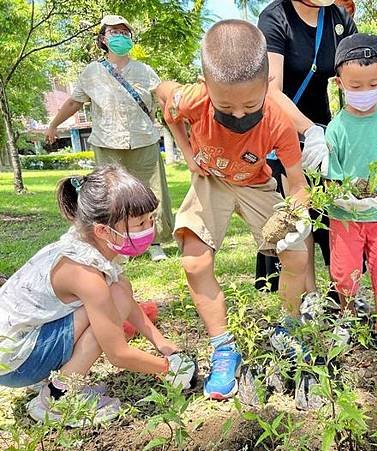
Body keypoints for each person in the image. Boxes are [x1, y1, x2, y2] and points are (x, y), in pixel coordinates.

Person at [154, 20, 310, 400]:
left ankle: (286, 329)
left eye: (250, 104)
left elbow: (297, 182)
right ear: (206, 86)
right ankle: (223, 347)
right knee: (194, 261)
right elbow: (163, 97)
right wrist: (188, 153)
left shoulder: (278, 121)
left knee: (296, 255)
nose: (239, 115)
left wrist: (296, 213)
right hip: (212, 181)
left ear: (266, 86)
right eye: (225, 105)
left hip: (257, 185)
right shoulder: (191, 98)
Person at [0, 166, 196, 424]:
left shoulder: (91, 247)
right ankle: (58, 397)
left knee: (118, 291)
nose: (149, 228)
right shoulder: (84, 272)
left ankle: (62, 380)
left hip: (19, 346)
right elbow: (118, 354)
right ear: (103, 230)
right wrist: (169, 370)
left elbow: (125, 298)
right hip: (16, 362)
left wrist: (161, 343)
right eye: (140, 223)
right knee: (110, 304)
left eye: (151, 218)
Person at [45, 15, 174, 262]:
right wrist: (53, 125)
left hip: (143, 139)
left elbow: (163, 98)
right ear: (103, 38)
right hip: (106, 141)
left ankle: (154, 243)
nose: (121, 37)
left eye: (125, 33)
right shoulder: (91, 72)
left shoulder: (145, 71)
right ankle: (118, 245)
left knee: (151, 192)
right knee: (110, 196)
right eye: (114, 32)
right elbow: (74, 102)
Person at [257, 0, 358, 300]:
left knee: (330, 214)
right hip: (282, 130)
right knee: (300, 216)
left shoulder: (338, 17)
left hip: (323, 131)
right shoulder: (276, 18)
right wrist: (309, 130)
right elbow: (270, 90)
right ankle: (309, 295)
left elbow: (358, 72)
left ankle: (342, 293)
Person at [324, 34, 377, 346]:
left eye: (373, 84)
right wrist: (340, 195)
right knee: (345, 271)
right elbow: (332, 178)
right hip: (346, 216)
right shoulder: (337, 128)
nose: (364, 92)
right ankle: (346, 317)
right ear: (339, 83)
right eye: (355, 87)